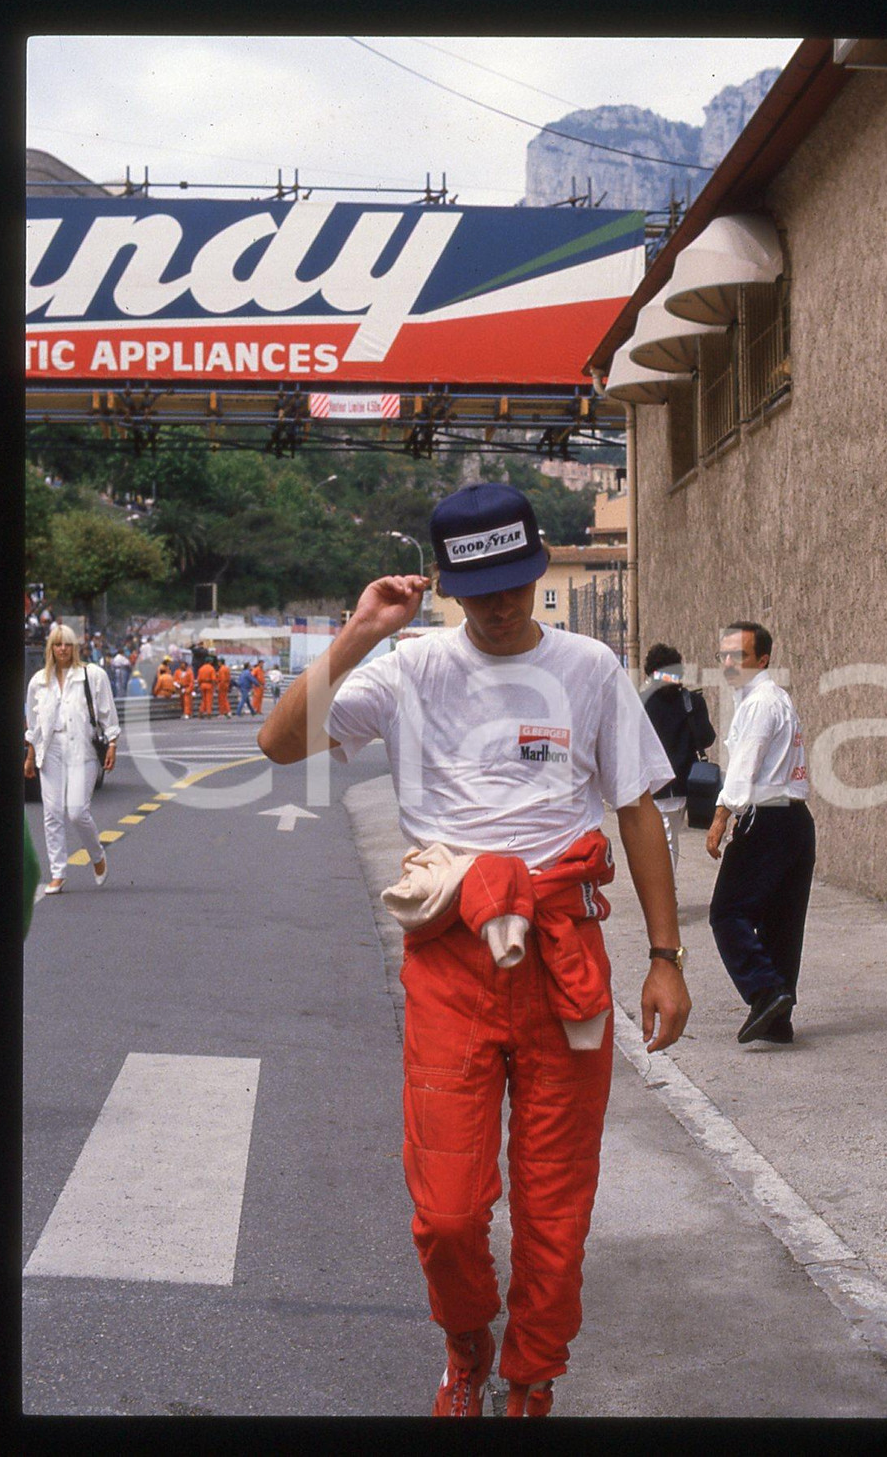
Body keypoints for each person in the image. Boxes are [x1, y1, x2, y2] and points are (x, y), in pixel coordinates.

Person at [258, 483, 690, 1419]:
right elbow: (279, 741)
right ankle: (466, 1344)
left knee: (556, 1206)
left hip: (564, 955)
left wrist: (666, 956)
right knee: (449, 1211)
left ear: (537, 569)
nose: (500, 605)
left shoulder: (587, 668)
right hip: (451, 958)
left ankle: (531, 1377)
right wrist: (362, 631)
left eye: (516, 582)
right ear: (447, 582)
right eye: (480, 587)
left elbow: (637, 810)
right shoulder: (409, 669)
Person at [706, 621, 815, 1046]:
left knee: (728, 913)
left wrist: (720, 816)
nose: (730, 664)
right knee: (782, 921)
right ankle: (777, 1020)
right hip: (794, 820)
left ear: (763, 659)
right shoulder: (774, 699)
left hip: (768, 818)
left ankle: (766, 991)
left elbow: (743, 767)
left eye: (740, 656)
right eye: (724, 656)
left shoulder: (760, 703)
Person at [24, 625, 119, 894]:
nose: (62, 649)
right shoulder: (38, 682)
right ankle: (58, 873)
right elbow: (34, 724)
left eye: (67, 644)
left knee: (77, 812)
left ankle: (97, 855)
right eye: (57, 644)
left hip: (83, 749)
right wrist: (30, 756)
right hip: (51, 748)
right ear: (50, 648)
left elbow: (107, 713)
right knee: (51, 813)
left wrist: (112, 743)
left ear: (75, 647)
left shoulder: (93, 675)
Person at [640, 643, 716, 882]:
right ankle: (665, 893)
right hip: (681, 783)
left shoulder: (641, 704)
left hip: (649, 784)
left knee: (661, 840)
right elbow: (707, 738)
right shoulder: (691, 701)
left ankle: (664, 894)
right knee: (669, 838)